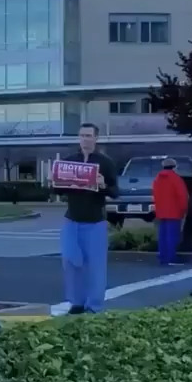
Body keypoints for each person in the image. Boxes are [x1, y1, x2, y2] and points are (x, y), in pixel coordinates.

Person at [54, 123, 119, 314]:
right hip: (72, 220)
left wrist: (103, 184)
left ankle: (94, 305)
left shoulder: (105, 162)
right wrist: (55, 180)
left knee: (96, 266)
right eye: (82, 135)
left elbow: (115, 192)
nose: (85, 139)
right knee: (70, 260)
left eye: (89, 135)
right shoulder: (70, 161)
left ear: (96, 138)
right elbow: (58, 190)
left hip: (95, 222)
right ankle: (76, 302)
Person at [151, 157, 189, 266]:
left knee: (162, 235)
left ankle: (163, 256)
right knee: (172, 235)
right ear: (174, 166)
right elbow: (182, 196)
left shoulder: (157, 179)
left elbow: (155, 195)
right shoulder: (176, 178)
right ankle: (171, 257)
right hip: (174, 211)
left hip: (161, 211)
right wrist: (184, 209)